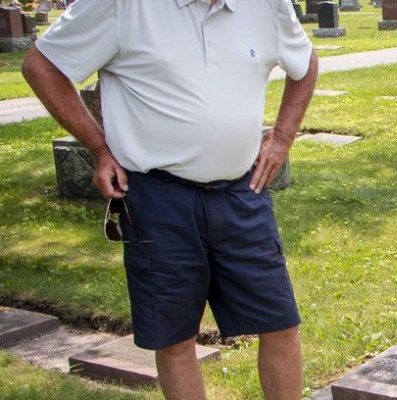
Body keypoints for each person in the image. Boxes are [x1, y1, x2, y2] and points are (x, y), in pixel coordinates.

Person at [22, 0, 318, 398]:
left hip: (241, 193)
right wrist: (99, 148)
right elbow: (42, 66)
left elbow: (305, 64)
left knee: (281, 325)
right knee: (175, 339)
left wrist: (282, 136)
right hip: (157, 198)